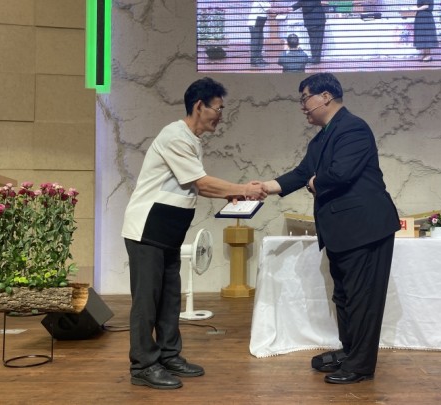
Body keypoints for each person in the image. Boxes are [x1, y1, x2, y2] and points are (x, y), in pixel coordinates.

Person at [121, 77, 267, 390]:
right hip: (147, 229)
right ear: (199, 106)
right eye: (218, 108)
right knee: (147, 302)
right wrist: (243, 189)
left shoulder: (191, 140)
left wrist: (232, 193)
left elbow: (194, 185)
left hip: (167, 232)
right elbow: (201, 183)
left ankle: (169, 355)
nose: (221, 115)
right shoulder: (174, 135)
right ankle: (143, 365)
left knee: (170, 299)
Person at [263, 73, 400, 384]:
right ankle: (350, 352)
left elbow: (340, 174)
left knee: (363, 298)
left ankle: (360, 366)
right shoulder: (321, 138)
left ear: (325, 96)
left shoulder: (353, 128)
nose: (302, 106)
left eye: (305, 98)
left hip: (365, 229)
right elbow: (302, 173)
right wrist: (263, 188)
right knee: (345, 297)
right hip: (343, 231)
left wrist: (316, 182)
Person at [288, 1, 327, 65]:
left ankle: (315, 59)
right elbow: (296, 5)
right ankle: (315, 59)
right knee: (313, 41)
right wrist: (286, 9)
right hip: (311, 23)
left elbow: (308, 6)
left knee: (316, 41)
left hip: (317, 22)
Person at [248, 1, 274, 67]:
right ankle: (254, 61)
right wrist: (283, 10)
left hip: (260, 24)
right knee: (255, 42)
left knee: (260, 42)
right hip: (254, 24)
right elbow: (270, 10)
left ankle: (259, 59)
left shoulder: (266, 2)